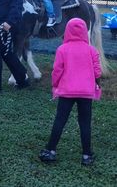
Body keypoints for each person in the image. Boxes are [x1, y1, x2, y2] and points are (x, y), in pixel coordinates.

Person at [39, 18, 102, 166]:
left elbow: (57, 71)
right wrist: (97, 85)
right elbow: (97, 71)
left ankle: (50, 150)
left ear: (67, 30)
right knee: (85, 122)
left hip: (66, 91)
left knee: (60, 120)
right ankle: (87, 155)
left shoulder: (62, 49)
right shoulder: (91, 50)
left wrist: (55, 85)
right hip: (86, 93)